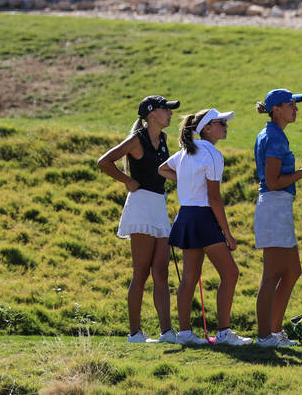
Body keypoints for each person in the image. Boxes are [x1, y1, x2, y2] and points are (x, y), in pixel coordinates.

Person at [158, 108, 251, 346]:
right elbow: (215, 198)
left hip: (186, 215)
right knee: (230, 273)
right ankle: (224, 333)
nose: (225, 126)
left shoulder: (185, 152)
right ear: (207, 128)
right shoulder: (212, 154)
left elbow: (162, 169)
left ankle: (186, 334)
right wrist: (228, 234)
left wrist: (188, 180)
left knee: (190, 277)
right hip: (203, 216)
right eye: (221, 123)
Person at [97, 95, 180, 344]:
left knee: (161, 271)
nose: (170, 114)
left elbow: (164, 171)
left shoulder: (163, 139)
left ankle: (166, 331)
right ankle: (135, 333)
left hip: (158, 205)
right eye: (166, 110)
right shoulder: (136, 140)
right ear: (152, 114)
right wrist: (126, 180)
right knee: (141, 271)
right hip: (141, 204)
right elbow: (104, 161)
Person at [252, 88, 302, 347]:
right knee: (271, 275)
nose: (295, 108)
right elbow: (273, 182)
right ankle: (265, 336)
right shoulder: (274, 138)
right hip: (274, 206)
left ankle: (273, 332)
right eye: (290, 104)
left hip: (278, 207)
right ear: (276, 110)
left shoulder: (275, 135)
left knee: (293, 271)